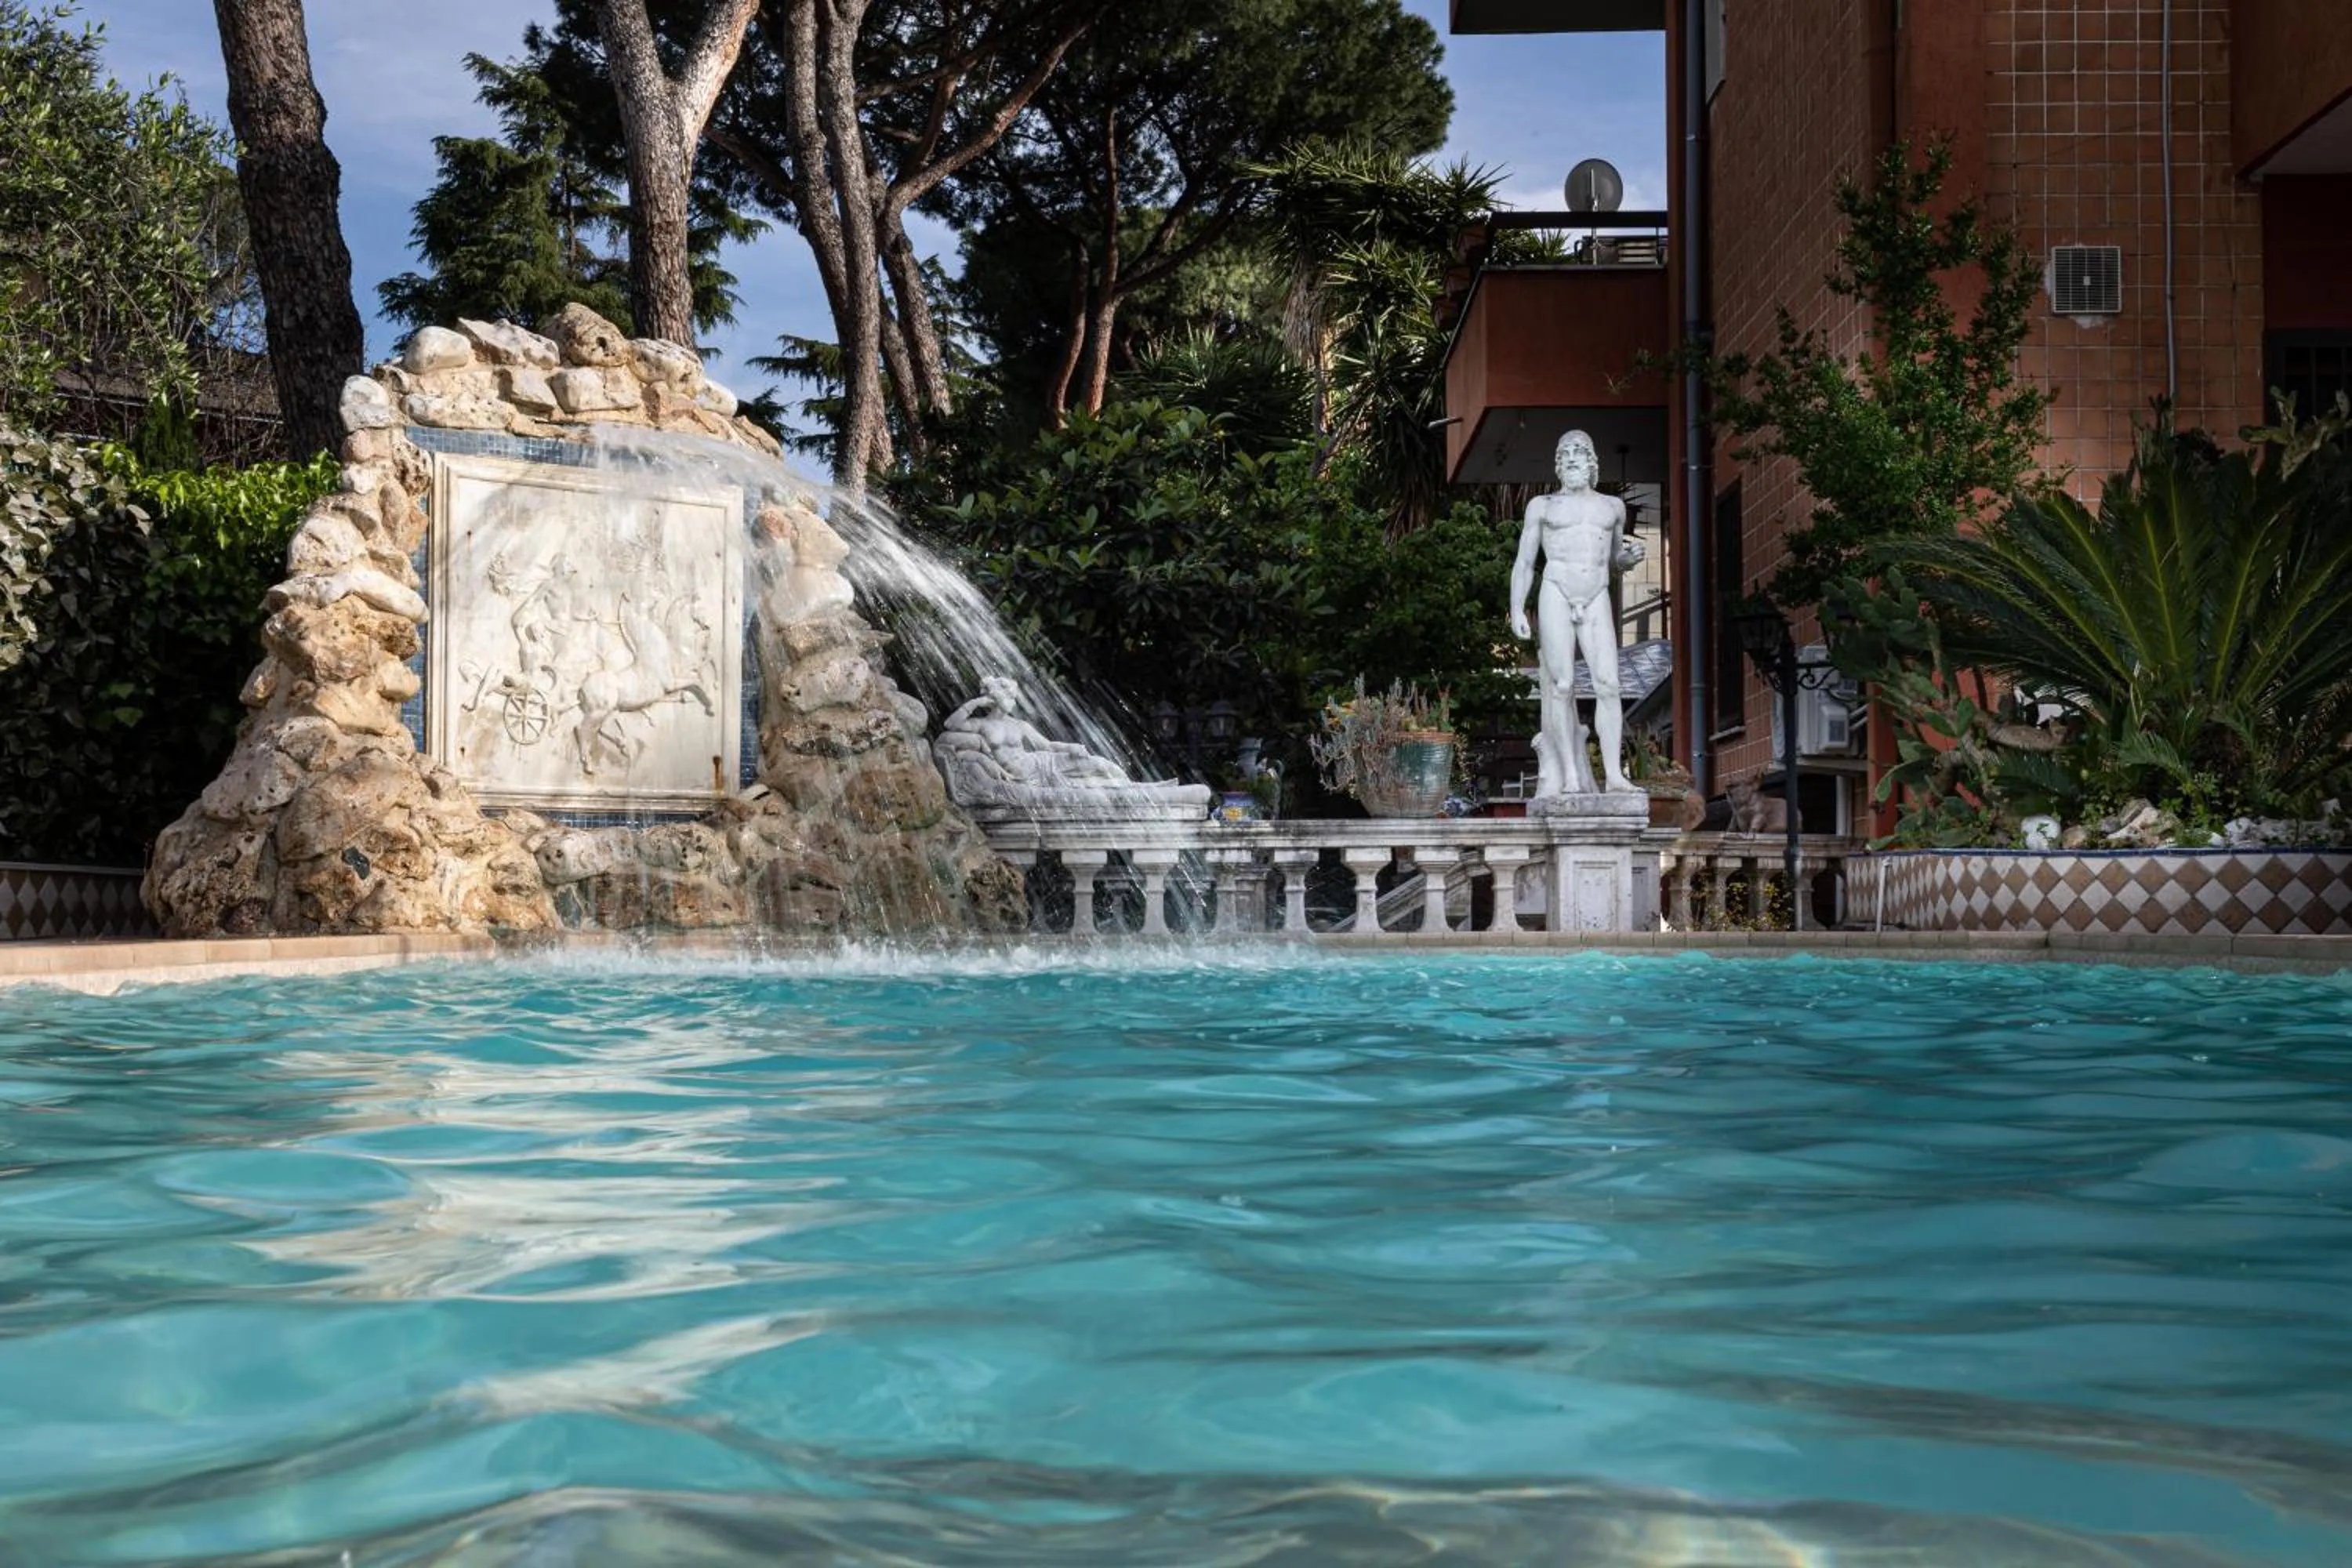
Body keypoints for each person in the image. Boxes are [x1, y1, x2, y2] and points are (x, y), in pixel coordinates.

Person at [1509, 430, 1645, 795]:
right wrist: (1517, 609)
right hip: (1556, 590)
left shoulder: (1611, 508)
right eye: (1565, 453)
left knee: (1609, 685)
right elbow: (1525, 562)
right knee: (1562, 684)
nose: (1571, 458)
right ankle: (1569, 775)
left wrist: (1627, 559)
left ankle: (1615, 776)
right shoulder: (1543, 506)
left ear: (1591, 463)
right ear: (1558, 465)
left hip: (1596, 592)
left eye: (1579, 452)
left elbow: (1615, 558)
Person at [940, 677, 1133, 787]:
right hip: (1022, 776)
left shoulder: (1019, 725)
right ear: (993, 697)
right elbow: (950, 725)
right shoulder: (980, 725)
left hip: (1041, 762)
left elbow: (1046, 745)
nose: (1013, 701)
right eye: (1009, 696)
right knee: (1087, 783)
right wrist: (975, 703)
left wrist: (1070, 747)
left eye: (1013, 697)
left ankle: (1133, 787)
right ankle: (1128, 791)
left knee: (1100, 765)